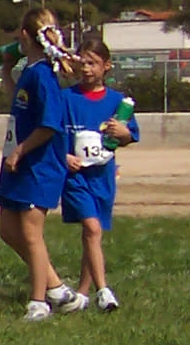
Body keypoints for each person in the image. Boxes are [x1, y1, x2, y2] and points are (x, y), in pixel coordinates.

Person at [0, 6, 77, 321]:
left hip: (38, 164)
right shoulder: (30, 72)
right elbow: (19, 102)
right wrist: (6, 71)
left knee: (31, 234)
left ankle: (39, 302)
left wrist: (20, 151)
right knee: (8, 230)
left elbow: (49, 125)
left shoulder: (44, 75)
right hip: (17, 163)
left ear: (24, 36)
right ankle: (57, 288)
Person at [59, 39, 137, 312]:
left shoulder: (117, 101)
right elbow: (51, 134)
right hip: (75, 179)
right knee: (92, 228)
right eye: (82, 62)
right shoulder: (66, 98)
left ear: (107, 66)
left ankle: (82, 294)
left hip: (103, 177)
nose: (86, 68)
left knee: (93, 235)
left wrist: (123, 134)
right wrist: (64, 157)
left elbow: (129, 135)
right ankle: (104, 291)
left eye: (92, 63)